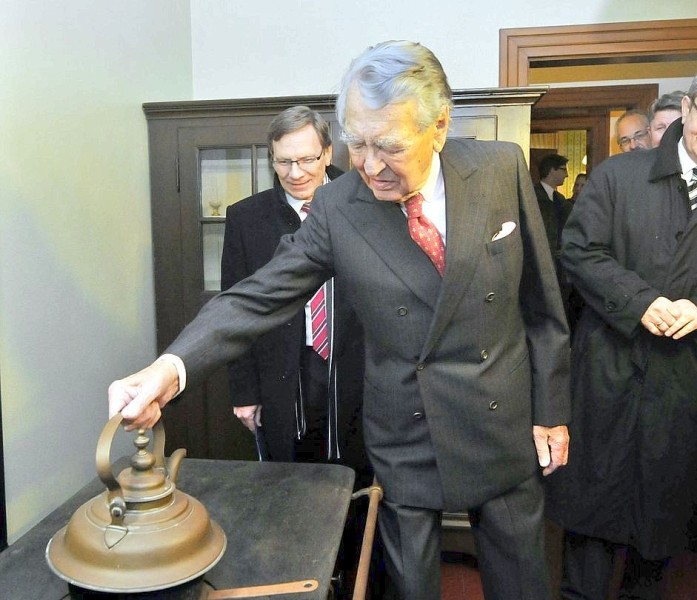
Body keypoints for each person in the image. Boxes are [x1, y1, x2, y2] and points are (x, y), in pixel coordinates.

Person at [108, 40, 571, 600]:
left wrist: (550, 411)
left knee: (522, 579)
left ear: (441, 125)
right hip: (406, 426)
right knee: (409, 585)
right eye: (357, 142)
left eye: (390, 146)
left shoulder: (500, 169)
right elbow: (257, 295)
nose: (369, 165)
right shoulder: (338, 207)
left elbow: (542, 306)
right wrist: (169, 367)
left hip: (502, 417)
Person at [546, 57, 697, 600]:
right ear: (686, 108)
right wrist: (641, 302)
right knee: (592, 523)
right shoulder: (618, 175)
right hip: (606, 374)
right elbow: (578, 250)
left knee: (661, 526)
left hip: (689, 381)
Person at [221, 105, 366, 474]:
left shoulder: (368, 203)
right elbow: (234, 312)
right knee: (289, 488)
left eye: (306, 159)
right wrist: (244, 393)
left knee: (358, 487)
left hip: (358, 374)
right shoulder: (245, 219)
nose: (295, 173)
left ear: (329, 153)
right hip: (283, 374)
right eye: (284, 162)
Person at [534, 153, 576, 331]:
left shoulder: (562, 201)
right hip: (538, 268)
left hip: (561, 269)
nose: (566, 175)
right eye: (563, 170)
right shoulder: (531, 196)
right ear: (552, 170)